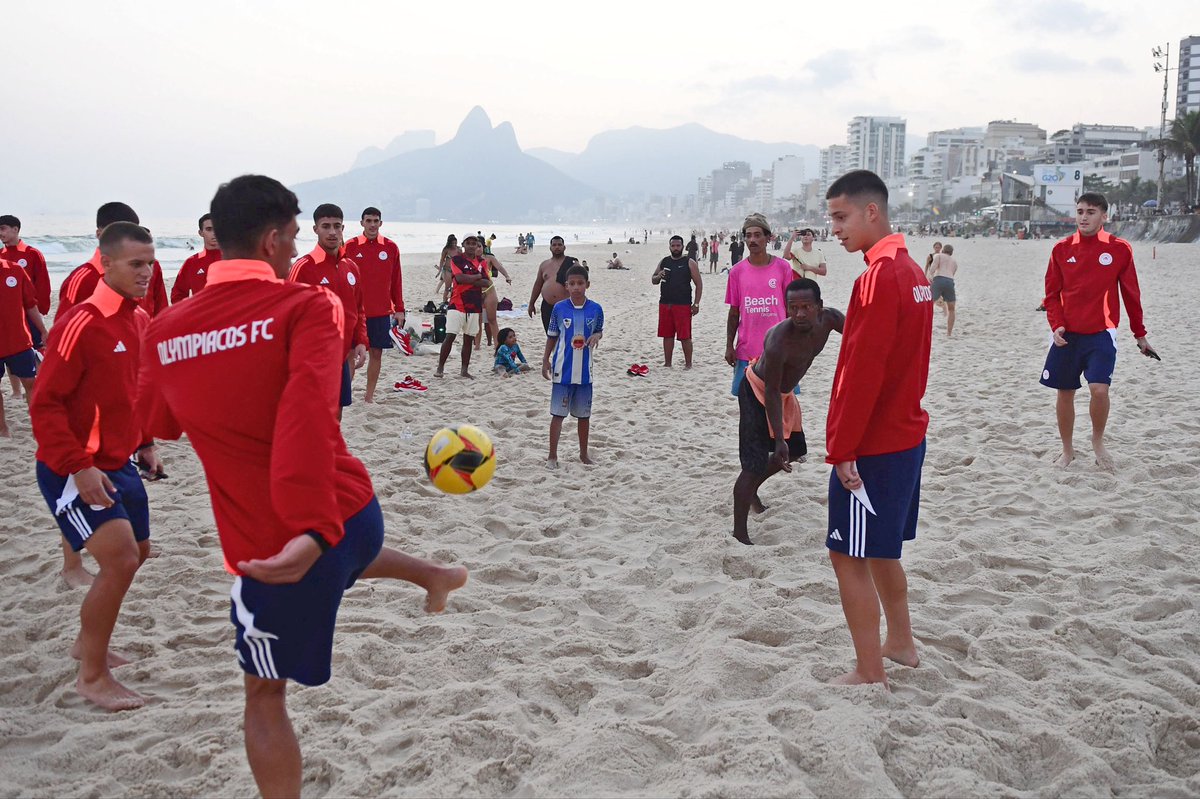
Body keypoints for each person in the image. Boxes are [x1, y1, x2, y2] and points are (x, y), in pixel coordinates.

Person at [137, 174, 467, 797]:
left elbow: (157, 426)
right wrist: (325, 526)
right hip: (353, 509)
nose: (296, 251)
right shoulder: (306, 307)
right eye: (292, 237)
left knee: (263, 696)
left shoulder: (165, 330)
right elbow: (309, 414)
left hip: (280, 540)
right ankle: (435, 574)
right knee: (353, 552)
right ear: (269, 240)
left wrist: (310, 529)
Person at [31, 221, 165, 709]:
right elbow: (44, 404)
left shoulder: (139, 319)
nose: (147, 272)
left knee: (140, 553)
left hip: (120, 462)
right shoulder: (80, 322)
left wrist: (146, 441)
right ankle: (92, 676)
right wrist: (79, 467)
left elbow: (135, 390)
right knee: (121, 559)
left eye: (151, 262)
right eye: (136, 264)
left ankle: (87, 642)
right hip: (72, 467)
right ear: (104, 263)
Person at [823, 169, 932, 687]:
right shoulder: (912, 271)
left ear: (872, 212)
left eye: (841, 218)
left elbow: (862, 371)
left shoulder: (879, 276)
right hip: (906, 432)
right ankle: (902, 643)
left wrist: (843, 448)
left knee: (847, 555)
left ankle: (870, 671)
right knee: (883, 548)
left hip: (876, 443)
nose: (835, 230)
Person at [1040, 192, 1157, 472]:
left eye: (1091, 212)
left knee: (1099, 390)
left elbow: (1131, 294)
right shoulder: (1061, 249)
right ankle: (1067, 449)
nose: (1083, 217)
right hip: (1066, 335)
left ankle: (1097, 441)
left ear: (1104, 215)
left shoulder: (1119, 248)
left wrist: (1139, 335)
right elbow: (1051, 295)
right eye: (1080, 211)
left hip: (1101, 333)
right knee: (1065, 393)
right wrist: (1056, 324)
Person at [732, 278, 843, 545]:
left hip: (784, 392)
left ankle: (754, 489)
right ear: (786, 308)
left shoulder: (830, 320)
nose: (800, 313)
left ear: (820, 306)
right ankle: (740, 532)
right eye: (793, 307)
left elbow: (860, 336)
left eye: (807, 306)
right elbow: (770, 390)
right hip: (757, 392)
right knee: (754, 463)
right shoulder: (779, 340)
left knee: (794, 451)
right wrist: (778, 438)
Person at [287, 204, 368, 418]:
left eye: (337, 226)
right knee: (312, 417)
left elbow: (359, 309)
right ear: (315, 229)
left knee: (336, 415)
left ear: (343, 228)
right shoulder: (303, 266)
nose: (332, 232)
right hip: (312, 360)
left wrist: (361, 341)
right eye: (326, 226)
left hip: (341, 355)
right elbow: (287, 312)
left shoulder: (350, 266)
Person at [57, 203, 169, 320]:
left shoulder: (151, 266)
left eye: (131, 232)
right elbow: (63, 329)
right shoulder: (83, 279)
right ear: (99, 234)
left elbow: (162, 314)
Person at [724, 213, 795, 396]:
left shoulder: (783, 267)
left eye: (757, 235)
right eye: (748, 236)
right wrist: (729, 345)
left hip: (779, 350)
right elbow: (734, 312)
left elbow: (790, 308)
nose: (752, 240)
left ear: (768, 237)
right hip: (746, 351)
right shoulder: (736, 272)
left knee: (781, 407)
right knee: (748, 406)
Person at [542, 264, 602, 469]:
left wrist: (596, 335)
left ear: (587, 285)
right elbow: (552, 336)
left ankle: (584, 454)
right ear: (566, 286)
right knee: (558, 415)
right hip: (562, 371)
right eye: (572, 284)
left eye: (580, 283)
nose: (576, 287)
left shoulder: (596, 309)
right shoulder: (559, 308)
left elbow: (599, 330)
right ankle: (552, 456)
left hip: (585, 373)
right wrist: (545, 360)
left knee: (584, 416)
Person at [342, 207, 405, 403]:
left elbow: (397, 280)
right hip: (354, 312)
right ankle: (347, 394)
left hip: (380, 311)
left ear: (380, 223)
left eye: (375, 221)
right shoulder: (350, 246)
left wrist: (400, 308)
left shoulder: (390, 247)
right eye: (368, 221)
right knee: (350, 354)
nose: (372, 224)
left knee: (376, 353)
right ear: (361, 223)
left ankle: (369, 396)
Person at [0, 214, 51, 397]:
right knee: (8, 351)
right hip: (11, 315)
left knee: (35, 351)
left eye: (4, 228)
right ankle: (15, 391)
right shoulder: (2, 255)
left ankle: (43, 384)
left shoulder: (31, 253)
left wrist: (42, 309)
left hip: (30, 312)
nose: (1, 233)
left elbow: (43, 283)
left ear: (16, 229)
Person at [0, 253, 47, 435]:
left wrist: (43, 330)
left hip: (19, 341)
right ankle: (2, 428)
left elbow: (30, 304)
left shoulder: (15, 270)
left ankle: (38, 426)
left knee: (31, 383)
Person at [435, 235, 489, 378]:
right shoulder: (457, 260)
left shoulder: (482, 262)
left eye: (474, 243)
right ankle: (440, 368)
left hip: (474, 305)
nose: (471, 246)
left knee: (468, 339)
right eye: (468, 243)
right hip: (457, 304)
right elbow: (459, 278)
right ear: (463, 244)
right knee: (450, 336)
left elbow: (487, 282)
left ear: (477, 245)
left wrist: (469, 279)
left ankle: (464, 370)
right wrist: (477, 277)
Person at [652, 235, 703, 368]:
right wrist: (659, 275)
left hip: (683, 304)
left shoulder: (689, 262)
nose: (675, 248)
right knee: (667, 335)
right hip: (665, 303)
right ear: (669, 247)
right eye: (673, 246)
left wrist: (696, 304)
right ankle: (667, 363)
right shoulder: (664, 261)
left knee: (685, 336)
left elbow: (699, 283)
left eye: (678, 246)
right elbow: (653, 280)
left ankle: (688, 364)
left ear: (682, 246)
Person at [527, 235, 577, 332]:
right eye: (554, 245)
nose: (557, 247)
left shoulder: (572, 263)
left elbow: (581, 282)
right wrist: (531, 303)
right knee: (550, 335)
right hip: (547, 306)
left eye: (559, 244)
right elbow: (538, 285)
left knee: (568, 335)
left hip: (567, 306)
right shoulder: (544, 265)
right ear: (550, 248)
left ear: (564, 247)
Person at [170, 213, 223, 303]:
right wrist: (188, 314)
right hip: (201, 316)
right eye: (209, 229)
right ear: (201, 233)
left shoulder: (234, 259)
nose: (214, 233)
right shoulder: (191, 262)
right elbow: (178, 294)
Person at [477, 248, 513, 349]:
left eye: (479, 245)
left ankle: (497, 344)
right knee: (477, 321)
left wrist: (507, 276)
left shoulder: (489, 258)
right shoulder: (469, 260)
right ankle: (477, 346)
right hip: (476, 292)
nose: (477, 248)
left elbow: (500, 267)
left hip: (489, 290)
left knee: (491, 319)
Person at [926, 243, 958, 336]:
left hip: (939, 279)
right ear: (951, 253)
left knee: (929, 304)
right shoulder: (954, 261)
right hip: (950, 281)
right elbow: (953, 273)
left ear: (943, 250)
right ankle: (949, 333)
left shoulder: (938, 256)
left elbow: (932, 268)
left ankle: (927, 328)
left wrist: (930, 277)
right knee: (951, 309)